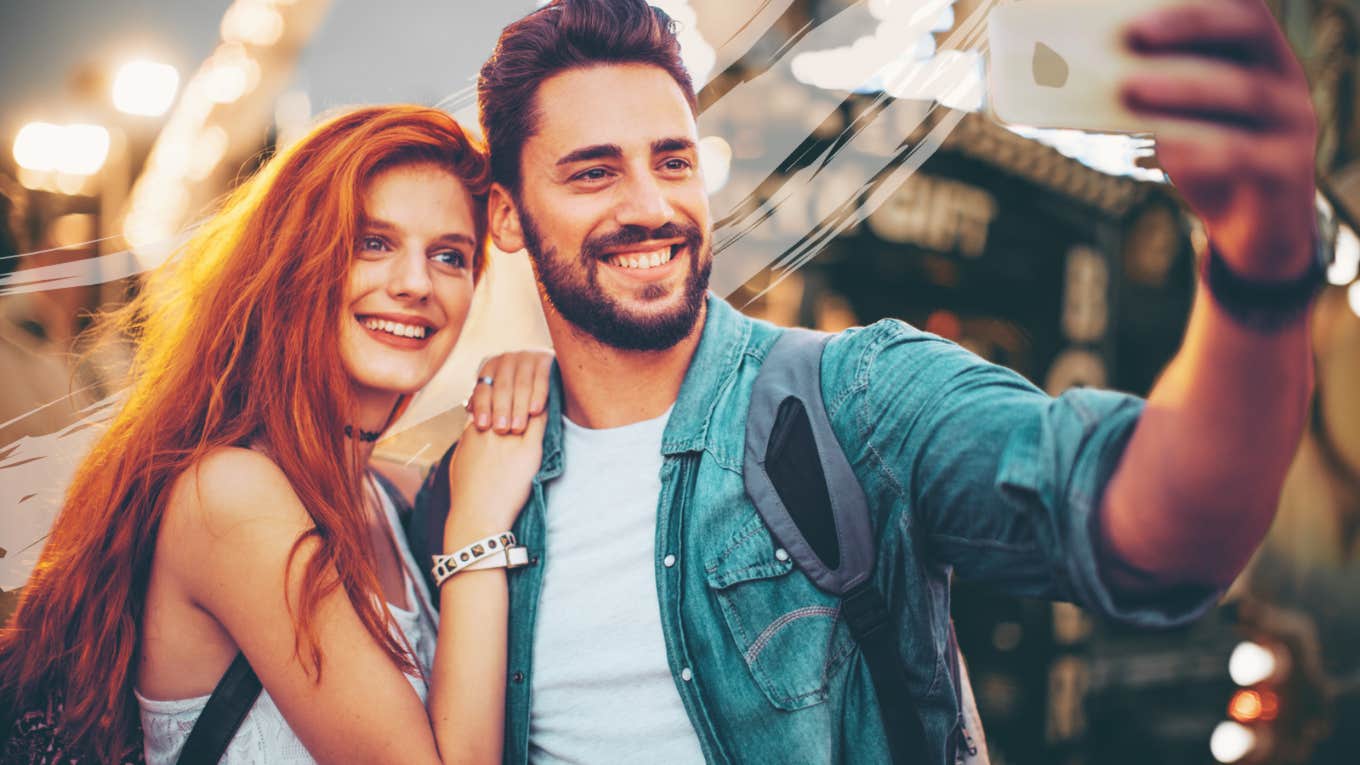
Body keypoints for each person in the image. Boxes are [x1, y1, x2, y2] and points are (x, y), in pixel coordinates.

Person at [410, 0, 1327, 762]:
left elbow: (1154, 531)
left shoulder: (855, 397)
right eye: (593, 172)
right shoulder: (467, 496)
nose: (650, 205)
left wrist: (1259, 268)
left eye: (673, 160)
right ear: (506, 217)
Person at [0, 105, 549, 764]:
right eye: (372, 242)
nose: (415, 283)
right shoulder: (231, 495)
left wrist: (531, 385)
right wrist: (479, 528)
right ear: (294, 259)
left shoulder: (393, 494)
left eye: (450, 255)